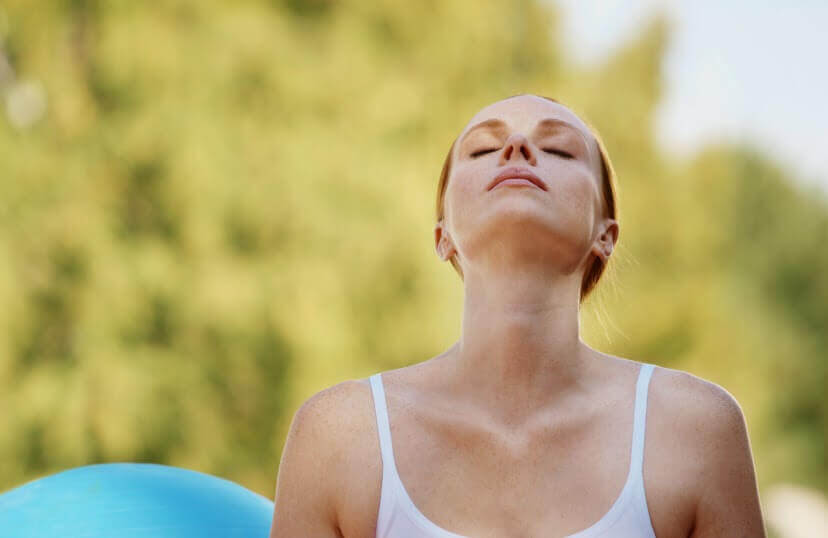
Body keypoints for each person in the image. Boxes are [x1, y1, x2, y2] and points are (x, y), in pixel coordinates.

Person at [269, 94, 767, 537]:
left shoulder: (696, 430)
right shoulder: (338, 436)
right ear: (442, 235)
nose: (517, 149)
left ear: (606, 235)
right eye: (484, 149)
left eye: (559, 150)